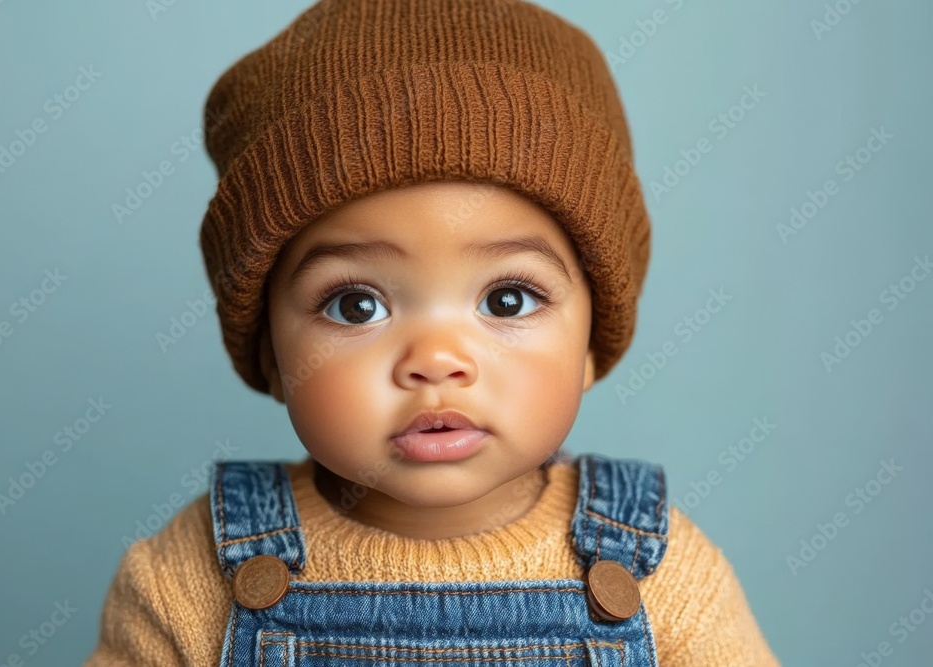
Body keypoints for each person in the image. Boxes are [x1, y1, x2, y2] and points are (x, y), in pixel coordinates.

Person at [84, 0, 780, 664]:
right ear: (269, 352)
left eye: (507, 299)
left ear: (591, 343)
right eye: (356, 306)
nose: (437, 360)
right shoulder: (190, 578)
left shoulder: (661, 575)